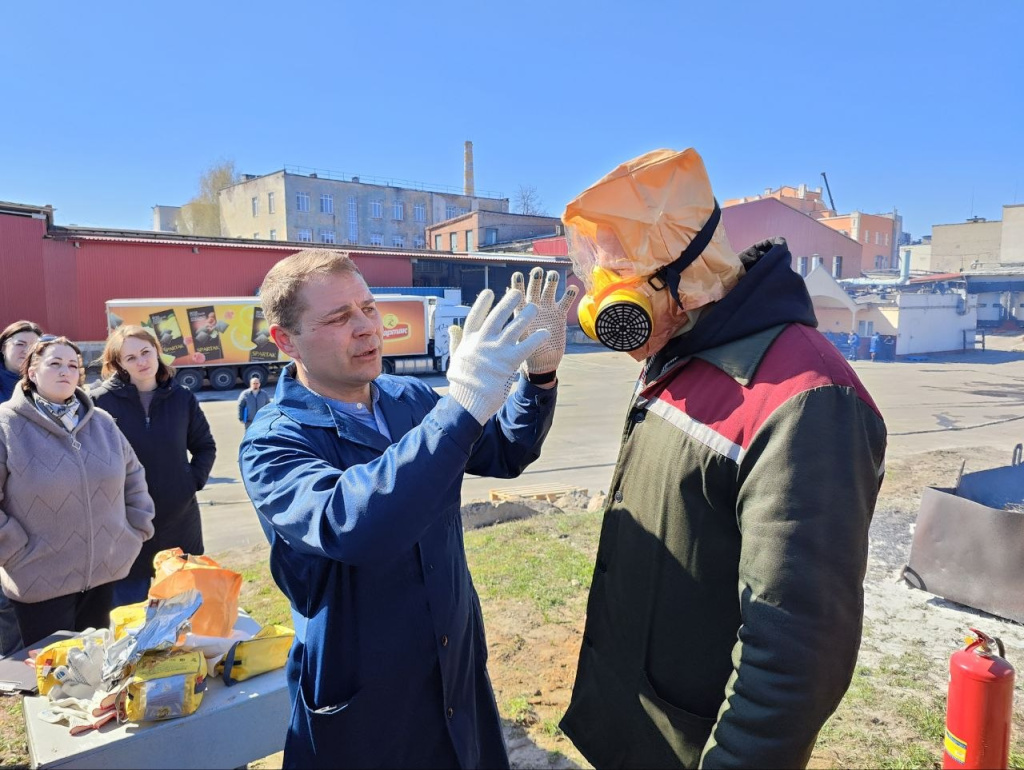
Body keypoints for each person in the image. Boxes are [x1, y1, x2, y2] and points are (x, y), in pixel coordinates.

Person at [557, 149, 887, 768]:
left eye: (620, 272)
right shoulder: (682, 351)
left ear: (685, 272)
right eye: (598, 271)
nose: (602, 299)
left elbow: (795, 652)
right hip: (639, 732)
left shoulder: (808, 399)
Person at [238, 248, 576, 769]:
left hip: (452, 662)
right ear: (287, 341)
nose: (366, 327)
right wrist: (462, 404)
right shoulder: (274, 442)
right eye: (338, 317)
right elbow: (352, 525)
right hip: (367, 696)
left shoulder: (408, 399)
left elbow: (503, 451)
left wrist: (540, 379)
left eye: (368, 308)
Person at [0, 336, 155, 645]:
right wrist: (14, 550)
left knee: (101, 677)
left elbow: (133, 475)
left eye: (73, 365)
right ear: (31, 372)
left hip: (104, 576)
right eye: (54, 364)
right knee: (53, 684)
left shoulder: (101, 422)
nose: (65, 372)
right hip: (39, 583)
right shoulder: (6, 426)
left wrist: (136, 528)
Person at [89, 326, 217, 607]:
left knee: (181, 617)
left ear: (158, 353)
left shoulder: (182, 398)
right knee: (129, 620)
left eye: (146, 352)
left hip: (179, 521)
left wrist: (188, 483)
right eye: (131, 358)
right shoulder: (100, 402)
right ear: (118, 364)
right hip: (125, 524)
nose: (142, 362)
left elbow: (205, 446)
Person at [0, 320, 41, 655]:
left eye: (34, 345)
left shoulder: (45, 388)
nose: (27, 350)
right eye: (19, 343)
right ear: (4, 348)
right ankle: (11, 660)